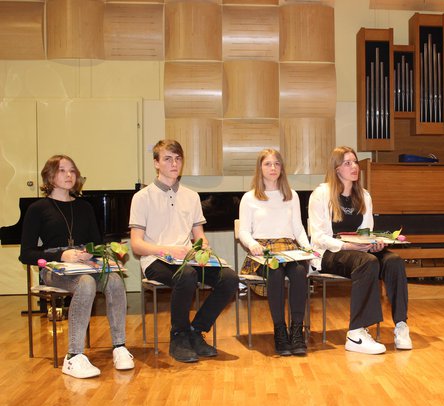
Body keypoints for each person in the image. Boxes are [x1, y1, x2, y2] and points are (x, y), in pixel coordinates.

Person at [20, 155, 134, 379]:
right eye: (62, 170)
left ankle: (119, 347)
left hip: (85, 265)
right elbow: (26, 254)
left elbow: (97, 242)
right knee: (86, 283)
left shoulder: (84, 207)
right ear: (50, 176)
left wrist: (99, 252)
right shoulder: (37, 208)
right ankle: (73, 357)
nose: (69, 175)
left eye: (72, 170)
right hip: (54, 269)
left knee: (114, 280)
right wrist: (63, 254)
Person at [129, 139, 239, 363]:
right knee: (186, 276)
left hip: (187, 259)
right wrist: (167, 250)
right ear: (156, 163)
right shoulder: (142, 198)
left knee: (229, 278)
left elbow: (199, 235)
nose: (174, 163)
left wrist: (203, 247)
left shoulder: (191, 196)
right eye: (168, 158)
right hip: (155, 260)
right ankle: (178, 336)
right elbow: (137, 245)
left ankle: (196, 331)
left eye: (178, 158)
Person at [308, 146, 412, 355]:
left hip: (359, 251)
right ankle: (356, 332)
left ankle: (401, 325)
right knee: (368, 262)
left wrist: (375, 242)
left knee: (394, 261)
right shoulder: (320, 194)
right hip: (331, 253)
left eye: (355, 162)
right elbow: (317, 236)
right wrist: (348, 245)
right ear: (336, 168)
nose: (354, 167)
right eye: (347, 163)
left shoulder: (364, 195)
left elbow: (366, 232)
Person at [238, 149, 311, 356]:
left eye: (277, 164)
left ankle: (297, 331)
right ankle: (280, 331)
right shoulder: (249, 198)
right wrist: (252, 244)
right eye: (268, 164)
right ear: (260, 168)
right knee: (275, 273)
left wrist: (307, 249)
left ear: (282, 168)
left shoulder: (292, 196)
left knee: (298, 272)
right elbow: (244, 231)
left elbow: (298, 228)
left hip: (289, 249)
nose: (273, 168)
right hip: (262, 253)